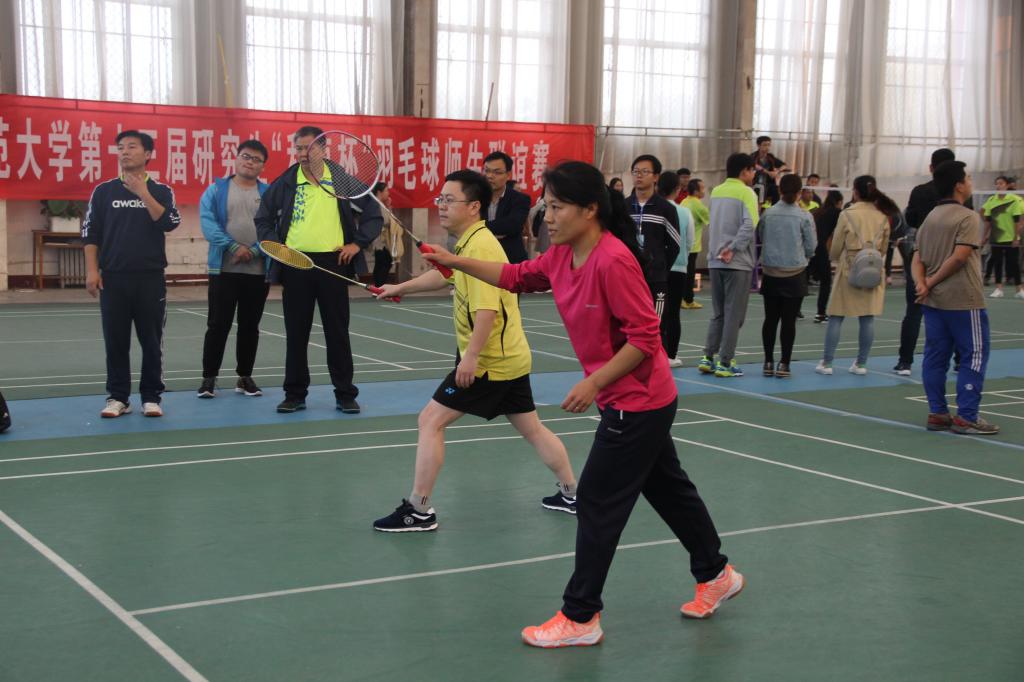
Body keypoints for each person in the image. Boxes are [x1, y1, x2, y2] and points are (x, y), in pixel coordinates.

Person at [422, 160, 742, 648]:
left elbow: (646, 339)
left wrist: (594, 383)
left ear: (590, 209)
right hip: (632, 397)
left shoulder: (612, 261)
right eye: (546, 206)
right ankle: (716, 573)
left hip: (638, 401)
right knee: (669, 490)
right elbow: (515, 276)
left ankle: (581, 615)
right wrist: (455, 260)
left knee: (596, 501)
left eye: (557, 207)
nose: (547, 217)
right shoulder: (562, 255)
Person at [371, 170, 577, 531]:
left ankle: (419, 510)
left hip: (489, 362)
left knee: (430, 421)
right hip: (510, 356)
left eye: (450, 200)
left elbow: (487, 308)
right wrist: (399, 287)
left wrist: (471, 357)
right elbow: (447, 274)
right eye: (440, 199)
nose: (442, 206)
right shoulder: (471, 241)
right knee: (532, 429)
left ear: (474, 206)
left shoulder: (480, 245)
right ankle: (573, 494)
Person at [254, 125, 381, 414]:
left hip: (333, 264)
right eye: (298, 148)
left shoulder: (342, 180)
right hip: (295, 265)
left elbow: (373, 215)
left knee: (337, 332)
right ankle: (294, 394)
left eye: (308, 148)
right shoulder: (286, 182)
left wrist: (357, 244)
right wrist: (276, 247)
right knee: (296, 333)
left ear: (323, 149)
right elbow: (262, 219)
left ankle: (345, 394)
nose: (302, 153)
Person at [82, 130, 181, 418]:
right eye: (120, 147)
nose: (124, 152)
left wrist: (142, 192)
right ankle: (118, 398)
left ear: (147, 154)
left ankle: (151, 397)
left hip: (150, 279)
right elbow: (90, 233)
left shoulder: (161, 191)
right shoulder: (104, 191)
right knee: (115, 341)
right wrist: (92, 270)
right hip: (113, 278)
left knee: (151, 341)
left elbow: (169, 222)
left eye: (132, 147)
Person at [913, 160, 998, 435]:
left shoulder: (930, 217)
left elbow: (917, 257)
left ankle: (937, 413)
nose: (971, 182)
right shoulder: (967, 217)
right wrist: (930, 282)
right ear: (959, 185)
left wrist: (922, 283)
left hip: (933, 302)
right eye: (968, 178)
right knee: (975, 354)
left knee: (935, 356)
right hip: (963, 300)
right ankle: (967, 417)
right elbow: (960, 257)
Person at [196, 139, 271, 399]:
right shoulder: (216, 189)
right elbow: (207, 222)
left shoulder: (269, 193)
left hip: (258, 272)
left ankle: (244, 377)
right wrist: (232, 246)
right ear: (236, 158)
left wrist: (255, 250)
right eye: (246, 156)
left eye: (256, 159)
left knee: (250, 326)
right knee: (218, 325)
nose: (250, 162)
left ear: (262, 166)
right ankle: (209, 378)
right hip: (223, 271)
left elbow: (276, 228)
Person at [896, 148, 970, 375]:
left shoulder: (920, 192)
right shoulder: (962, 199)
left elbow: (911, 219)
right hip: (952, 260)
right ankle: (960, 360)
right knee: (956, 311)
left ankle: (905, 362)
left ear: (931, 168)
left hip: (924, 257)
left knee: (914, 310)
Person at [815, 176, 892, 375]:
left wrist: (836, 258)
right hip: (873, 269)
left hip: (849, 268)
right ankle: (861, 364)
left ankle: (827, 363)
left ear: (855, 192)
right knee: (867, 317)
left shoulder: (847, 214)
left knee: (836, 315)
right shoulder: (883, 215)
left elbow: (836, 246)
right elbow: (884, 248)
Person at [699, 153, 759, 378]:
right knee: (734, 315)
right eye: (752, 170)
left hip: (714, 261)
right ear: (744, 171)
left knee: (719, 313)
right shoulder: (747, 193)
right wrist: (732, 248)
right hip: (736, 262)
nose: (754, 174)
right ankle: (725, 362)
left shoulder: (716, 191)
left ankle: (708, 357)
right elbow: (750, 224)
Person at [759, 174, 816, 378]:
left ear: (780, 190)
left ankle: (768, 361)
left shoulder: (768, 214)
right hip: (795, 274)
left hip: (771, 273)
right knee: (789, 322)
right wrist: (803, 256)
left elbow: (761, 236)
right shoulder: (804, 216)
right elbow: (811, 246)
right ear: (800, 192)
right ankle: (784, 364)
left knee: (770, 319)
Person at [627, 154, 681, 322]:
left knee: (656, 326)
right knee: (627, 323)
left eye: (645, 171)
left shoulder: (666, 209)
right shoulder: (623, 207)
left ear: (656, 177)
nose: (639, 175)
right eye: (635, 171)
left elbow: (674, 246)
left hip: (655, 279)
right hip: (627, 278)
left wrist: (660, 267)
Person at [657, 171, 695, 367]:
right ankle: (671, 355)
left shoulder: (654, 209)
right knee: (673, 313)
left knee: (656, 313)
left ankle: (656, 353)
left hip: (657, 269)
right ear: (677, 189)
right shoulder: (684, 212)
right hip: (679, 267)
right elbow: (690, 241)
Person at [483, 151, 530, 264]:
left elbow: (513, 225)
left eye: (497, 172)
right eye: (487, 171)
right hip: (481, 257)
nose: (490, 176)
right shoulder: (476, 197)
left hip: (510, 260)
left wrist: (480, 227)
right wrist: (499, 227)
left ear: (508, 175)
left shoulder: (520, 199)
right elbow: (466, 224)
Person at [982, 175, 1023, 299]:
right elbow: (987, 221)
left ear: (1006, 185)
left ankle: (1019, 289)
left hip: (1011, 238)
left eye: (1001, 183)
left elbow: (1016, 221)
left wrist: (1016, 237)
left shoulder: (1014, 200)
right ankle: (998, 289)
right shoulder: (991, 200)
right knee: (997, 263)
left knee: (1014, 264)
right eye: (997, 183)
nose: (998, 186)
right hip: (996, 238)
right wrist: (984, 236)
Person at [811, 189, 844, 323]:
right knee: (826, 282)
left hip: (810, 247)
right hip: (820, 248)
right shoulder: (837, 213)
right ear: (839, 202)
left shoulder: (819, 211)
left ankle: (795, 311)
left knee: (803, 279)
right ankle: (821, 313)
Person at [680, 178, 709, 309]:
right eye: (702, 188)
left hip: (682, 244)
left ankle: (684, 298)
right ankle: (687, 299)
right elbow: (710, 220)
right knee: (689, 274)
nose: (704, 191)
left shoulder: (684, 201)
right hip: (692, 246)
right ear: (696, 191)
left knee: (684, 272)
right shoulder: (698, 205)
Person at [370, 182, 405, 287]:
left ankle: (379, 287)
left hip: (382, 240)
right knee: (383, 263)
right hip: (379, 240)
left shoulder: (380, 204)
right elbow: (385, 221)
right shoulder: (376, 204)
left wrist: (388, 206)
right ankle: (379, 286)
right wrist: (389, 208)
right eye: (386, 190)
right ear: (379, 192)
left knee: (383, 263)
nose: (388, 193)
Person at [751, 136, 789, 208]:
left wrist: (777, 171)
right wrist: (768, 173)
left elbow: (784, 165)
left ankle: (775, 209)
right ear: (758, 146)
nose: (767, 147)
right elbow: (755, 166)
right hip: (756, 184)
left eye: (769, 145)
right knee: (760, 188)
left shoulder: (770, 157)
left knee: (776, 189)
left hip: (768, 183)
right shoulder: (753, 156)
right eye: (765, 145)